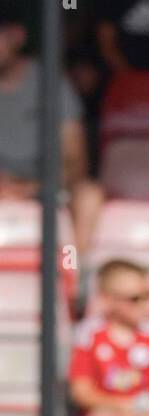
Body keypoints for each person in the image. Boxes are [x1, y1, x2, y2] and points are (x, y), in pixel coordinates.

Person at [0, 2, 104, 247]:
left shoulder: (50, 82)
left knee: (89, 195)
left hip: (44, 186)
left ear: (16, 36)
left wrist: (32, 188)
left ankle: (73, 278)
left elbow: (75, 159)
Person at [69, 260, 149, 416]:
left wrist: (148, 410)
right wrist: (120, 407)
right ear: (107, 299)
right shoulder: (88, 334)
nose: (145, 304)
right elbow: (81, 392)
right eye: (135, 298)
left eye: (148, 296)